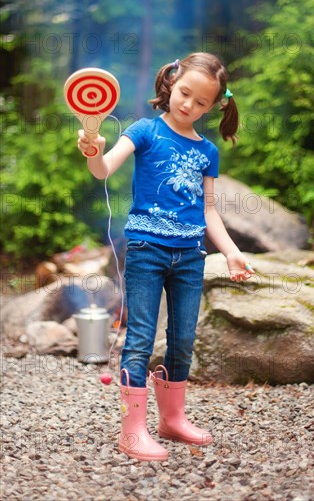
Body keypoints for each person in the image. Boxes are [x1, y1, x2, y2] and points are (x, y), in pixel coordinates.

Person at [77, 52, 255, 461]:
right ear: (171, 84)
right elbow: (103, 169)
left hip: (191, 255)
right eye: (184, 93)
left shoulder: (208, 151)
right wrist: (92, 149)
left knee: (182, 340)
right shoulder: (144, 131)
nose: (188, 105)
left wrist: (230, 251)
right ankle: (132, 430)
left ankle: (171, 419)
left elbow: (209, 210)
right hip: (146, 249)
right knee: (140, 338)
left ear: (213, 107)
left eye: (200, 102)